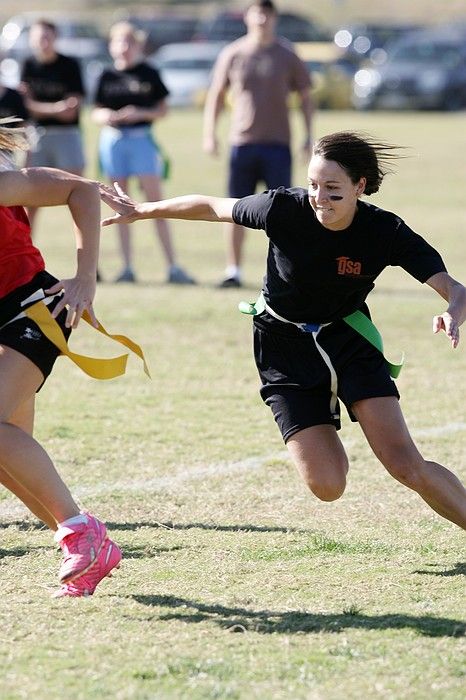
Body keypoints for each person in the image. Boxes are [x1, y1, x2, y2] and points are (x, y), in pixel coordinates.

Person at [100, 131, 466, 530]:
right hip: (282, 347)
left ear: (360, 186)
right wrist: (143, 209)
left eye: (332, 189)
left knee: (405, 465)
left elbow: (455, 288)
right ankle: (324, 432)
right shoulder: (282, 208)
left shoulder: (384, 231)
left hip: (348, 341)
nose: (319, 198)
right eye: (312, 185)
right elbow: (211, 206)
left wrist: (452, 311)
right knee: (327, 485)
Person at [0, 121, 121, 597]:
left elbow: (82, 191)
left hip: (34, 308)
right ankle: (89, 550)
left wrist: (85, 276)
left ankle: (81, 532)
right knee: (9, 454)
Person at [203, 0, 313, 288]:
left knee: (282, 213)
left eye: (267, 13)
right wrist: (209, 132)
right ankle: (233, 270)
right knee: (235, 208)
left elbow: (305, 97)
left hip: (278, 144)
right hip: (243, 143)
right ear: (248, 18)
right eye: (257, 13)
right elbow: (216, 93)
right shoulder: (234, 53)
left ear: (274, 18)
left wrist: (309, 135)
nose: (262, 19)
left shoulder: (287, 54)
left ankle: (282, 274)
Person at [92, 21, 195, 285]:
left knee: (155, 202)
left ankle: (173, 267)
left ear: (137, 45)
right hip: (113, 141)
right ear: (112, 46)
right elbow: (96, 110)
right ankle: (127, 267)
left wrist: (140, 113)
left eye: (130, 42)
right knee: (120, 203)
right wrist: (107, 115)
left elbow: (162, 109)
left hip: (141, 140)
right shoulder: (106, 75)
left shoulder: (148, 73)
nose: (124, 48)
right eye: (119, 42)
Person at [19, 19, 86, 232]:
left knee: (79, 196)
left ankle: (89, 259)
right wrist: (57, 108)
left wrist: (41, 107)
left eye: (47, 37)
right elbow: (25, 106)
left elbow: (71, 112)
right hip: (37, 135)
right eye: (39, 38)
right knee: (30, 200)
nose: (43, 42)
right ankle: (25, 256)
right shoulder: (28, 65)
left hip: (67, 135)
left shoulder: (70, 65)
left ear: (55, 38)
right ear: (32, 40)